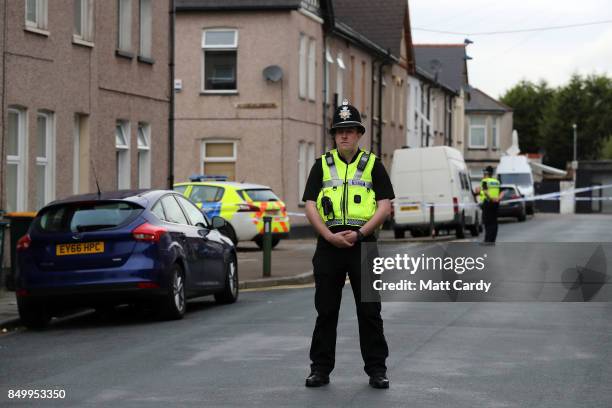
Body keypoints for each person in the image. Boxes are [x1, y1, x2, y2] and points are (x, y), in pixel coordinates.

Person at [302, 99, 394, 389]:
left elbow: (385, 206)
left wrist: (362, 234)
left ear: (359, 134)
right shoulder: (321, 165)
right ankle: (320, 369)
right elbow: (309, 205)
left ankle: (377, 370)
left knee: (369, 311)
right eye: (339, 131)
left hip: (363, 245)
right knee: (326, 311)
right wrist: (328, 236)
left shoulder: (373, 165)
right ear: (334, 135)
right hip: (329, 246)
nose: (344, 135)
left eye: (350, 130)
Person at [479, 165, 501, 244]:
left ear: (487, 173)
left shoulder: (485, 181)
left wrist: (491, 199)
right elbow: (502, 192)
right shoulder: (496, 181)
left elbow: (485, 191)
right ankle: (492, 240)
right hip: (496, 203)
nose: (484, 174)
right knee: (494, 222)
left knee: (487, 222)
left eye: (485, 172)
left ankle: (487, 240)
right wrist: (498, 198)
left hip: (488, 202)